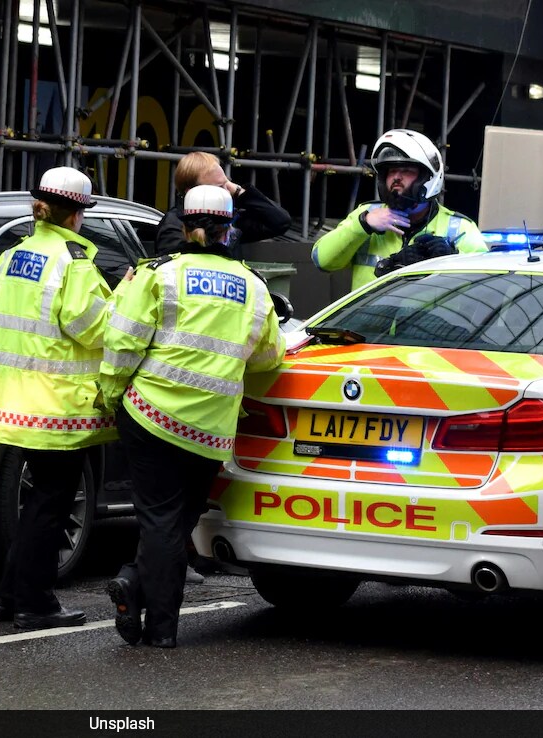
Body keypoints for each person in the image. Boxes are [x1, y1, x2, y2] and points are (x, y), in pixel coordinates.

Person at [99, 184, 285, 648]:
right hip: (210, 430)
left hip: (151, 415)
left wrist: (111, 396)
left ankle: (158, 624)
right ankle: (140, 596)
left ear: (183, 227)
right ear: (229, 230)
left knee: (159, 521)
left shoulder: (157, 274)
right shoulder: (253, 285)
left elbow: (122, 342)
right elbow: (269, 358)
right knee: (178, 522)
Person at [0, 166, 116, 631]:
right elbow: (93, 328)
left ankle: (9, 597)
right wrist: (121, 303)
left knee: (42, 500)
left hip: (15, 400)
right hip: (58, 404)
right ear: (76, 214)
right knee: (51, 505)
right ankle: (35, 603)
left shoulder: (12, 255)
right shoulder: (73, 263)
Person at [311, 128, 486, 293]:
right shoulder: (366, 214)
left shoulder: (459, 229)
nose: (396, 177)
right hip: (370, 317)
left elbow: (486, 288)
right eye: (392, 171)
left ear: (428, 177)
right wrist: (363, 225)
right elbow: (322, 260)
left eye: (406, 170)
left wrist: (454, 260)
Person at [154, 151, 291, 259]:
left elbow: (280, 222)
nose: (227, 192)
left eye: (227, 184)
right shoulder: (173, 225)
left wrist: (238, 191)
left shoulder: (226, 217)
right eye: (219, 187)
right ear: (192, 192)